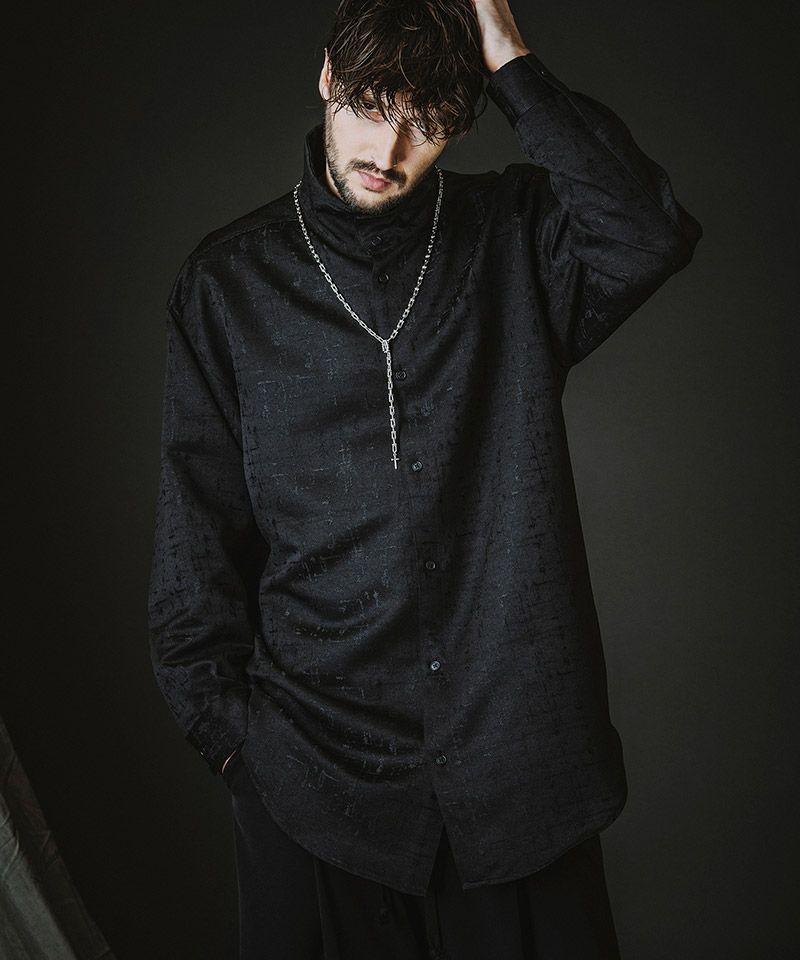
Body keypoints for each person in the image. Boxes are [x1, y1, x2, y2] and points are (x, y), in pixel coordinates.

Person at [147, 1, 703, 957]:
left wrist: (509, 57)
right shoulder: (228, 283)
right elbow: (193, 539)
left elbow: (646, 233)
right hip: (311, 781)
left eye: (428, 122)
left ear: (462, 123)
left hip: (519, 777)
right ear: (328, 76)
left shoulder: (517, 237)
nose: (389, 149)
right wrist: (233, 743)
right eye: (371, 107)